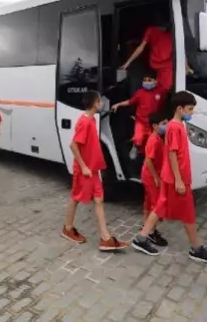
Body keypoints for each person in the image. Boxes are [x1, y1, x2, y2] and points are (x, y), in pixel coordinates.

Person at [131, 91, 207, 263]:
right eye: (190, 109)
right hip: (175, 180)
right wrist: (179, 180)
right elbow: (172, 154)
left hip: (172, 177)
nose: (191, 112)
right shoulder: (175, 127)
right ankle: (197, 248)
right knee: (188, 214)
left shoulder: (176, 126)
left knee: (160, 207)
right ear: (179, 109)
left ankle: (141, 238)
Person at [60, 90, 128, 251]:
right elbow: (73, 145)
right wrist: (83, 166)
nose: (102, 103)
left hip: (93, 170)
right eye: (100, 101)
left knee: (99, 200)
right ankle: (67, 228)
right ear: (95, 103)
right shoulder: (84, 122)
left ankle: (105, 238)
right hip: (85, 171)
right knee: (76, 198)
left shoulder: (91, 120)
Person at [111, 69, 166, 158]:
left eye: (149, 80)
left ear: (156, 81)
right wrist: (118, 104)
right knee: (138, 138)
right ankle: (135, 147)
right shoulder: (140, 93)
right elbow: (130, 102)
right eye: (145, 80)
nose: (146, 82)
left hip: (153, 123)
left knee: (152, 142)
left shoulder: (161, 91)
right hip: (140, 121)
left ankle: (149, 156)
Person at [120, 17, 174, 91]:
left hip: (159, 64)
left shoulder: (153, 30)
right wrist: (128, 62)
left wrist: (128, 62)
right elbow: (140, 48)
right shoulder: (153, 30)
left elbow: (141, 47)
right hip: (161, 64)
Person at [140, 112, 168, 246]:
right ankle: (151, 232)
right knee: (156, 205)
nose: (166, 126)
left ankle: (146, 225)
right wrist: (156, 178)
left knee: (148, 202)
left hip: (150, 175)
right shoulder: (154, 140)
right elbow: (149, 161)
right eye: (164, 124)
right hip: (150, 176)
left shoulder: (158, 138)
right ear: (155, 126)